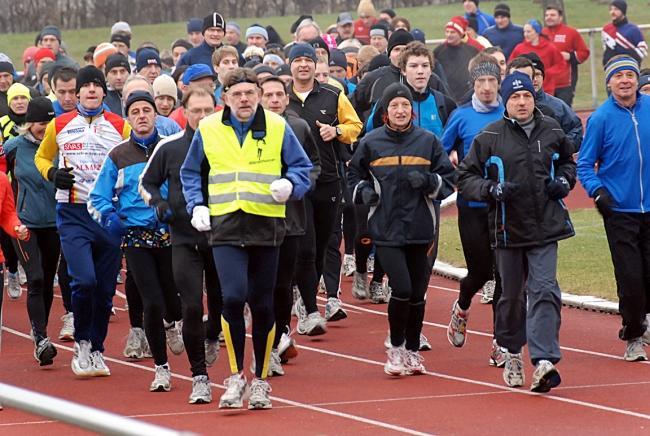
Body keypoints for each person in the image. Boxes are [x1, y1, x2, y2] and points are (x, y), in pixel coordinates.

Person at [181, 67, 312, 409]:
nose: (244, 99)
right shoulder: (208, 127)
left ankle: (261, 381)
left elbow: (303, 168)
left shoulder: (278, 126)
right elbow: (190, 170)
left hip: (266, 225)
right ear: (225, 98)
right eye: (237, 94)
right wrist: (197, 204)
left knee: (264, 303)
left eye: (249, 94)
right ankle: (236, 376)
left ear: (258, 96)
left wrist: (292, 186)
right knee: (233, 297)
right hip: (224, 226)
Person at [458, 71, 576, 392]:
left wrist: (563, 182)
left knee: (545, 290)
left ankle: (543, 360)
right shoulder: (489, 136)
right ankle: (511, 351)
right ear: (505, 102)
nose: (521, 102)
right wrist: (491, 189)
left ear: (532, 98)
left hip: (546, 226)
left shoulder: (552, 128)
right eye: (514, 97)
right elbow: (466, 177)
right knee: (511, 297)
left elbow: (567, 162)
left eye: (525, 96)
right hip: (507, 229)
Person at [348, 82, 455, 376]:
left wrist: (430, 183)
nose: (399, 110)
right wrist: (364, 192)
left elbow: (448, 180)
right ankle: (395, 348)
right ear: (385, 111)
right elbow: (352, 177)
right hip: (385, 227)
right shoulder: (371, 142)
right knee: (403, 288)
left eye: (404, 105)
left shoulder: (428, 141)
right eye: (394, 105)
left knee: (418, 293)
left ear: (412, 110)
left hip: (421, 227)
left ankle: (411, 351)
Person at [35, 65, 130, 377]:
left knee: (104, 291)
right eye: (85, 86)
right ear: (76, 94)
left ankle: (97, 347)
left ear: (104, 92)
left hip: (108, 214)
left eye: (96, 85)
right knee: (84, 280)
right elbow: (42, 157)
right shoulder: (60, 123)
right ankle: (81, 342)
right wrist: (53, 174)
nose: (91, 90)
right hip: (73, 212)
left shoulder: (120, 125)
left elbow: (135, 162)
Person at [89, 90, 182, 392]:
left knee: (173, 299)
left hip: (171, 235)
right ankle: (161, 368)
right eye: (135, 112)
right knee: (151, 302)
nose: (142, 116)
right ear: (128, 118)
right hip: (136, 238)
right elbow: (97, 198)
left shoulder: (171, 149)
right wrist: (113, 220)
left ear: (157, 115)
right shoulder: (118, 155)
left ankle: (174, 321)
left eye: (147, 110)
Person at [141, 86, 223, 403]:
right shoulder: (170, 147)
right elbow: (146, 183)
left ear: (215, 110)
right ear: (183, 112)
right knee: (190, 306)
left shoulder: (228, 144)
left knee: (223, 303)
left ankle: (213, 332)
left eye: (207, 111)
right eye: (196, 111)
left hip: (222, 237)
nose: (202, 117)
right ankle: (198, 376)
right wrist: (160, 203)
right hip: (184, 238)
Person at [577, 55, 650, 362]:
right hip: (619, 210)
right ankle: (633, 334)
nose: (624, 80)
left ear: (636, 79)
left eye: (629, 75)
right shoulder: (601, 118)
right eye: (618, 75)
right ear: (609, 82)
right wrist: (598, 192)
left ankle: (641, 323)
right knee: (631, 278)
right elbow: (584, 164)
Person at [287, 44, 362, 335]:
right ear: (290, 66)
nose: (304, 65)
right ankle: (306, 304)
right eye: (298, 60)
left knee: (321, 245)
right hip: (293, 183)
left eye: (309, 60)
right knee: (303, 244)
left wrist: (337, 132)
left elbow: (355, 124)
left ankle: (305, 293)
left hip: (328, 179)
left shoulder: (333, 94)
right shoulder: (282, 98)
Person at [442, 54, 505, 365]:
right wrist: (457, 178)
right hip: (472, 205)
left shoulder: (511, 112)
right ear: (473, 86)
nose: (487, 87)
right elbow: (440, 151)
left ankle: (500, 343)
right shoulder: (462, 116)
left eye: (492, 81)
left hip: (505, 208)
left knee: (504, 276)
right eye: (481, 82)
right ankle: (462, 304)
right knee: (480, 272)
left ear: (499, 83)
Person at [259, 76, 322, 373]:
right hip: (255, 221)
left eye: (278, 95)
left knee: (283, 285)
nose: (273, 99)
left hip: (292, 219)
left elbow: (313, 165)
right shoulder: (244, 132)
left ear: (286, 99)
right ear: (260, 100)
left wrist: (297, 186)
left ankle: (278, 337)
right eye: (268, 95)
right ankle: (267, 341)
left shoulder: (298, 127)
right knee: (261, 286)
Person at [3, 97, 55, 366]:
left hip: (54, 224)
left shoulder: (58, 146)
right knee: (34, 278)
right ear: (28, 124)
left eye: (48, 122)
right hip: (24, 224)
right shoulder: (13, 147)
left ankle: (40, 332)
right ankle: (42, 338)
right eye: (39, 123)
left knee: (46, 280)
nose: (43, 128)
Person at [515, 53, 583, 151]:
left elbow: (576, 129)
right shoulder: (509, 106)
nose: (534, 79)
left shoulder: (558, 107)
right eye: (530, 75)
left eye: (538, 74)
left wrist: (560, 148)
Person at [542, 5, 590, 106]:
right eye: (546, 15)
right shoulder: (542, 33)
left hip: (565, 83)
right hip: (546, 82)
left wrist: (570, 56)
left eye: (552, 15)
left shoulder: (571, 33)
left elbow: (584, 52)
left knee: (563, 112)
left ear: (560, 17)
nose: (549, 17)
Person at [509, 19, 566, 96]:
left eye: (529, 32)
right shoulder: (519, 48)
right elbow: (510, 65)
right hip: (524, 89)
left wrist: (547, 73)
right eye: (524, 32)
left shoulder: (549, 47)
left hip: (546, 89)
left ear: (537, 32)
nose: (526, 34)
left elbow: (561, 64)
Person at [434, 17, 480, 103]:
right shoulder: (438, 51)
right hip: (446, 94)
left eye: (452, 32)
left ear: (460, 34)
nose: (449, 35)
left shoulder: (472, 50)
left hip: (467, 95)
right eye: (447, 32)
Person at [602, 0, 647, 65]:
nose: (612, 12)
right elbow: (606, 51)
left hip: (630, 68)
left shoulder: (633, 29)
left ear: (623, 11)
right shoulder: (606, 29)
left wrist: (623, 52)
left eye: (616, 9)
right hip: (612, 69)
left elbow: (642, 51)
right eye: (611, 9)